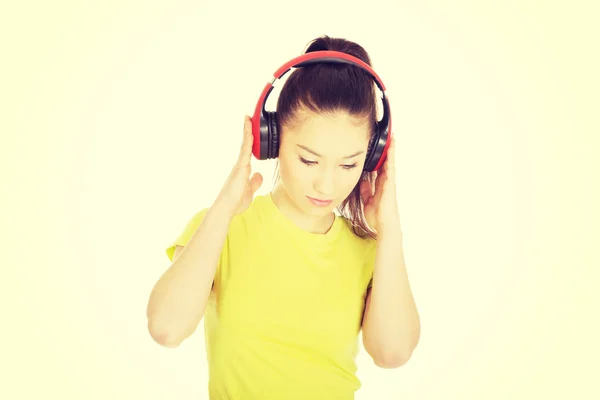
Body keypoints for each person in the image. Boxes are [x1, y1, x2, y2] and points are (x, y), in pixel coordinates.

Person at [146, 35, 420, 399]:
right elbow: (166, 328)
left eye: (348, 164)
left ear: (372, 158)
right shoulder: (221, 229)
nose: (326, 184)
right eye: (309, 160)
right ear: (272, 139)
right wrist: (223, 208)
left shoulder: (369, 252)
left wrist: (390, 231)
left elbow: (393, 354)